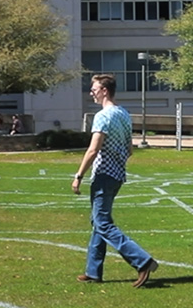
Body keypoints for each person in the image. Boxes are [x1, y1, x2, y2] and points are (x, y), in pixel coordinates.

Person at [72, 74, 158, 288]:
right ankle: (93, 271)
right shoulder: (124, 114)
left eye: (94, 88)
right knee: (98, 222)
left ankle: (142, 261)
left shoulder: (103, 116)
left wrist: (78, 175)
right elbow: (130, 149)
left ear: (104, 90)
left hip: (103, 175)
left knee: (103, 222)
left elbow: (93, 149)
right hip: (118, 175)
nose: (91, 92)